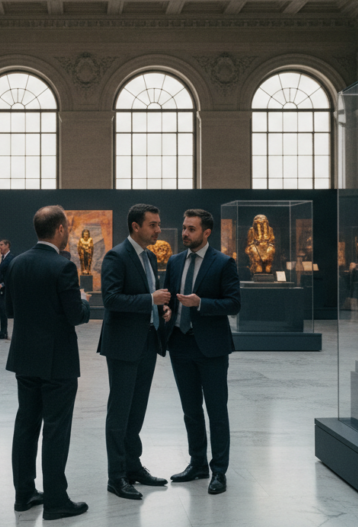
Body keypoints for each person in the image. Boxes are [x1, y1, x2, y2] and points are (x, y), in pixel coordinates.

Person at [6, 206, 91, 521]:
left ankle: (24, 493)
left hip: (25, 357)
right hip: (57, 360)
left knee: (26, 426)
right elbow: (75, 315)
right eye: (67, 228)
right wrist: (83, 300)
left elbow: (11, 307)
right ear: (59, 229)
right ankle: (56, 500)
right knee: (56, 429)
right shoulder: (63, 266)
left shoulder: (16, 263)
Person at [161, 209, 241, 496]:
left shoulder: (223, 263)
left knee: (217, 411)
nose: (185, 233)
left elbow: (233, 304)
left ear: (207, 232)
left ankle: (219, 470)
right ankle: (197, 464)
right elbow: (168, 297)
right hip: (180, 344)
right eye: (184, 227)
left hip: (211, 347)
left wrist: (201, 303)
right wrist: (167, 309)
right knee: (191, 411)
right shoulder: (174, 261)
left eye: (191, 229)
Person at [98, 204, 169, 501]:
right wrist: (150, 299)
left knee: (137, 410)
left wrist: (160, 307)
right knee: (120, 411)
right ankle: (116, 477)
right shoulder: (116, 256)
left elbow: (148, 297)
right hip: (123, 345)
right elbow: (111, 299)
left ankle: (133, 466)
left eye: (158, 223)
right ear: (135, 226)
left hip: (147, 342)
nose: (158, 230)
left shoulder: (150, 257)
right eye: (152, 225)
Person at [0, 239, 13, 340]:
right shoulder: (3, 258)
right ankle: (3, 331)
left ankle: (3, 332)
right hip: (1, 290)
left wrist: (3, 284)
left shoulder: (10, 259)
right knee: (1, 310)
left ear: (7, 245)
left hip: (5, 290)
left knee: (3, 310)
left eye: (1, 245)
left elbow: (10, 274)